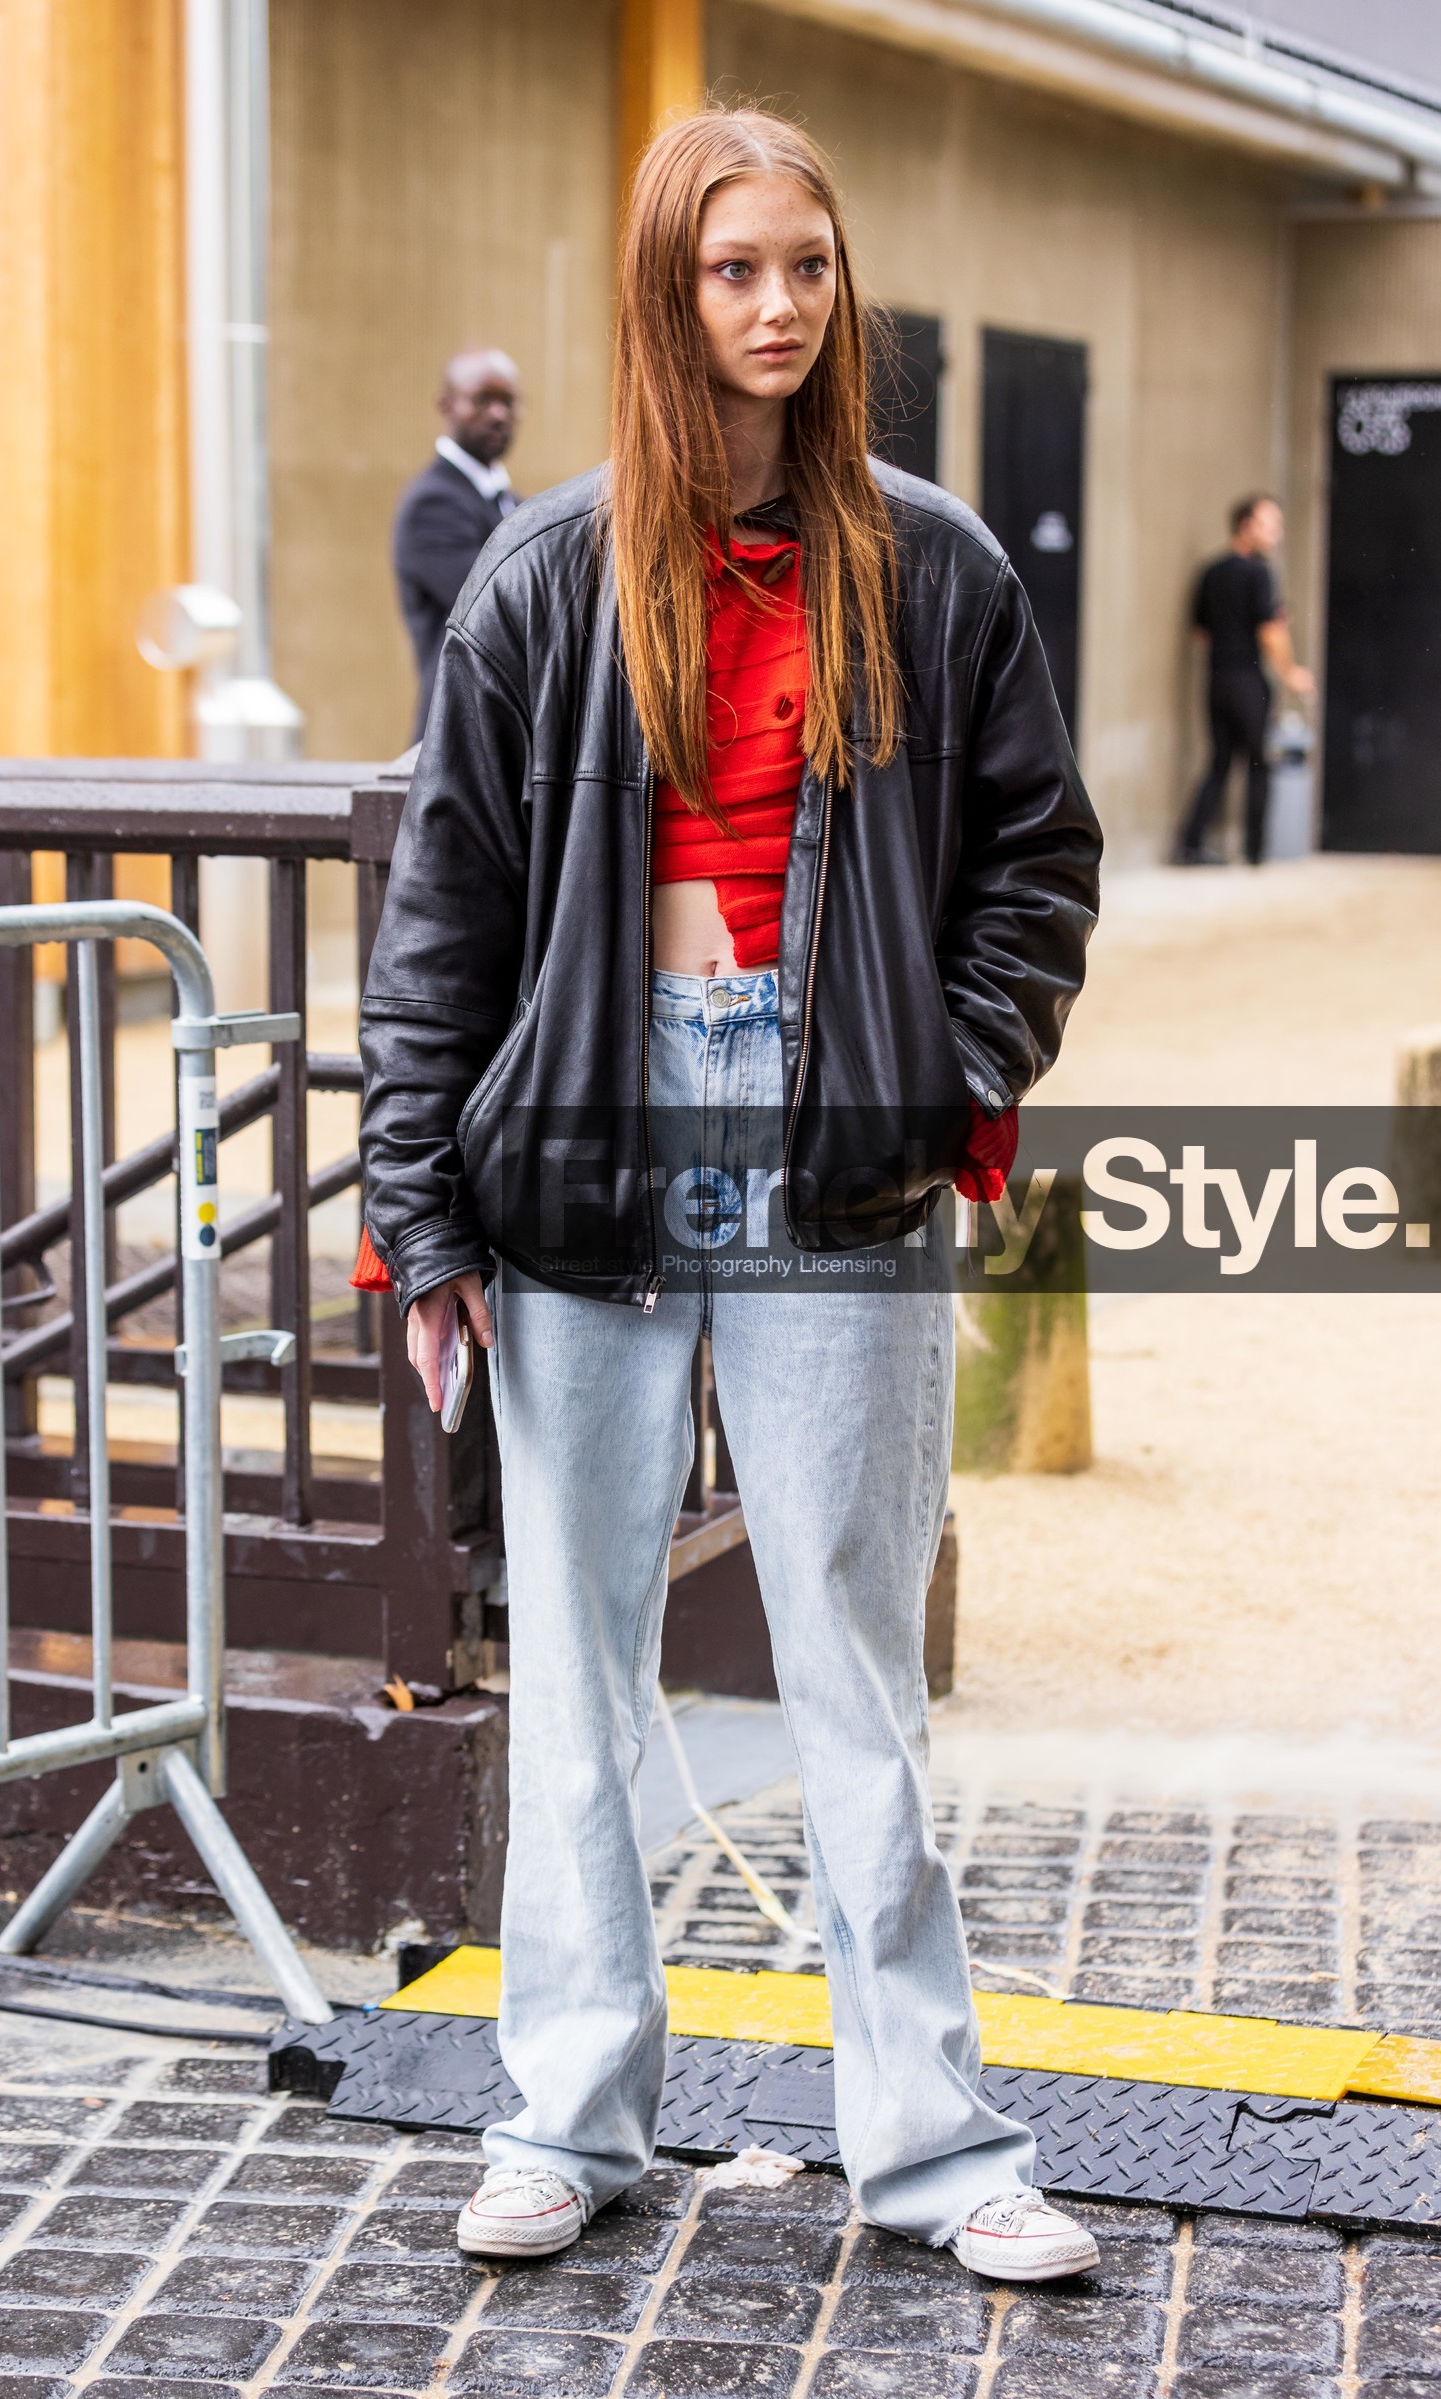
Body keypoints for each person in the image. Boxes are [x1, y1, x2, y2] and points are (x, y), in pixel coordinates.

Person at [359, 110, 1102, 2282]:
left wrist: (944, 1072)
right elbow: (444, 927)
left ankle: (937, 2149)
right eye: (732, 271)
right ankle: (564, 2114)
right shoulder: (544, 575)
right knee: (580, 1660)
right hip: (587, 1142)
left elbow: (1035, 867)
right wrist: (419, 1218)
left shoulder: (936, 567)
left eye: (806, 264)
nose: (778, 305)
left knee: (850, 1665)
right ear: (666, 297)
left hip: (834, 1152)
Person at [1178, 494, 1316, 866]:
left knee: (1220, 761)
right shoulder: (1259, 573)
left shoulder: (1211, 572)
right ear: (1246, 524)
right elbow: (1271, 631)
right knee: (1258, 763)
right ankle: (1255, 852)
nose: (1277, 534)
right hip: (1248, 681)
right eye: (1270, 525)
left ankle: (1190, 845)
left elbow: (1201, 633)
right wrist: (1291, 674)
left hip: (1216, 679)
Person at [393, 348, 522, 739]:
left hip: (502, 728)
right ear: (446, 405)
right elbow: (499, 608)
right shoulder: (433, 504)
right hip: (458, 733)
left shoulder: (512, 502)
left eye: (508, 402)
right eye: (482, 400)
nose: (498, 414)